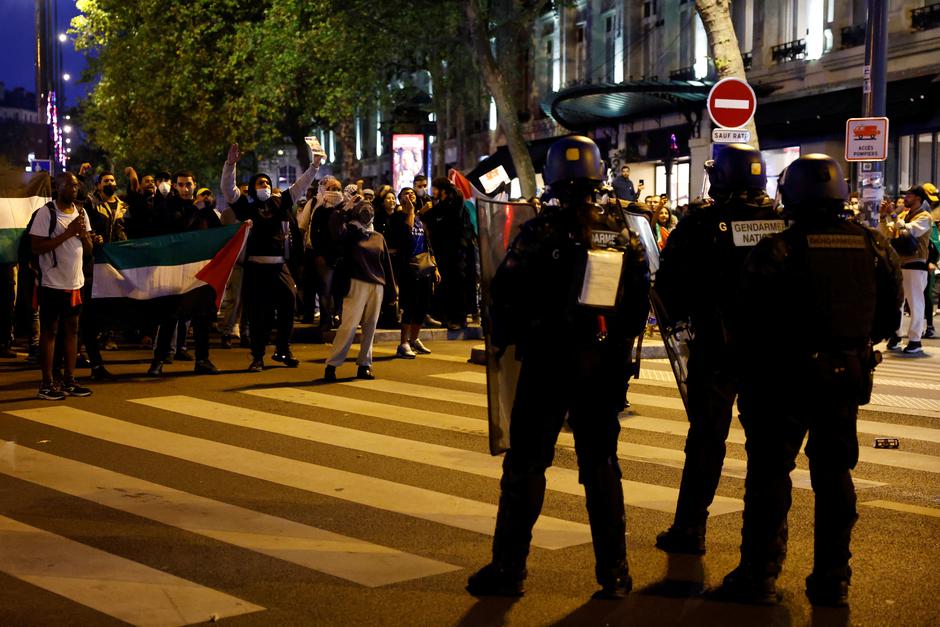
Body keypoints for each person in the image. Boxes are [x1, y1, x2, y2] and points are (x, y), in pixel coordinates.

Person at [466, 135, 650, 599]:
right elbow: (639, 300)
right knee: (602, 466)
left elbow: (504, 290)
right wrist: (619, 353)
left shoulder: (541, 230)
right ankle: (616, 574)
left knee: (526, 465)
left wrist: (512, 333)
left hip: (549, 360)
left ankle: (509, 571)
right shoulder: (623, 230)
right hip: (601, 364)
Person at [717, 154, 902, 606]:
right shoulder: (875, 246)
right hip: (842, 377)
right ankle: (833, 578)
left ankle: (759, 575)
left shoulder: (778, 249)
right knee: (835, 477)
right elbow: (888, 317)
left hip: (781, 381)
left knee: (769, 478)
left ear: (792, 194)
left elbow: (743, 320)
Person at [654, 143, 781, 555]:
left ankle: (690, 529)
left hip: (716, 350)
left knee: (706, 442)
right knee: (768, 452)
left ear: (723, 177)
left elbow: (667, 287)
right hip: (770, 355)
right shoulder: (785, 223)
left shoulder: (700, 224)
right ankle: (766, 549)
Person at [221, 142, 322, 371]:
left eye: (267, 182)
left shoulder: (279, 202)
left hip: (279, 267)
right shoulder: (246, 207)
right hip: (256, 269)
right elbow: (228, 190)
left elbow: (300, 185)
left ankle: (283, 350)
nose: (265, 185)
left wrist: (314, 166)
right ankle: (257, 356)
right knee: (258, 313)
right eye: (260, 183)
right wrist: (230, 165)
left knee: (289, 303)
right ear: (253, 188)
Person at [146, 169, 222, 376]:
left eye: (188, 184)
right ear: (175, 186)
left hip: (200, 271)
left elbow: (219, 231)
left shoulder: (205, 209)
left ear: (195, 185)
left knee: (202, 316)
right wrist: (195, 208)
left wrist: (240, 228)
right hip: (175, 270)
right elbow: (176, 228)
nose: (185, 189)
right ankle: (158, 360)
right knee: (169, 316)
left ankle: (203, 360)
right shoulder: (168, 206)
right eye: (180, 185)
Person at [30, 172, 95, 400]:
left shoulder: (81, 212)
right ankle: (46, 383)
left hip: (75, 283)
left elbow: (87, 251)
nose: (74, 189)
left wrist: (86, 238)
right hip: (52, 283)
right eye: (69, 185)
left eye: (76, 185)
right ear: (57, 187)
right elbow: (36, 247)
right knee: (50, 331)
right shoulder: (46, 214)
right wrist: (68, 233)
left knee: (72, 330)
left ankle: (69, 379)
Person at [323, 200, 397, 381]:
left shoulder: (377, 236)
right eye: (362, 209)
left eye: (370, 209)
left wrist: (391, 291)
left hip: (377, 284)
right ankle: (332, 364)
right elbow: (335, 231)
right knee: (349, 325)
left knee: (370, 326)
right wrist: (342, 210)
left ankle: (365, 364)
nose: (367, 212)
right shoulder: (350, 232)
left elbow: (386, 264)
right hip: (356, 282)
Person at [387, 187, 439, 358]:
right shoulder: (397, 217)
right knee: (408, 305)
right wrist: (410, 212)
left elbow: (428, 243)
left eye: (412, 194)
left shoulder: (420, 219)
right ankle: (403, 343)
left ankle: (414, 339)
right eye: (406, 194)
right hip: (407, 266)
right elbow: (405, 235)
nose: (410, 195)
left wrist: (435, 267)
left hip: (424, 267)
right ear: (400, 198)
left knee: (422, 305)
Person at [883, 184, 934, 354]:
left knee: (915, 303)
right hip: (900, 263)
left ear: (918, 198)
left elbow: (909, 231)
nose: (905, 198)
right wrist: (884, 217)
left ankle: (915, 340)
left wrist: (892, 214)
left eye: (909, 195)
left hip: (916, 262)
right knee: (897, 302)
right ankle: (896, 335)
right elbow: (890, 233)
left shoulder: (925, 217)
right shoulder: (904, 214)